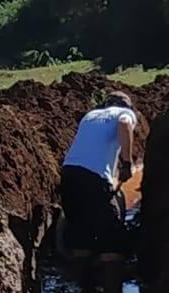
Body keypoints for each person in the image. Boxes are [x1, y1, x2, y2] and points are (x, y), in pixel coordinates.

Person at [59, 91, 139, 274]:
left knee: (81, 233)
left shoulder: (90, 116)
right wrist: (127, 164)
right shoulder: (124, 114)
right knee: (112, 238)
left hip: (69, 173)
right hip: (93, 177)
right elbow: (124, 124)